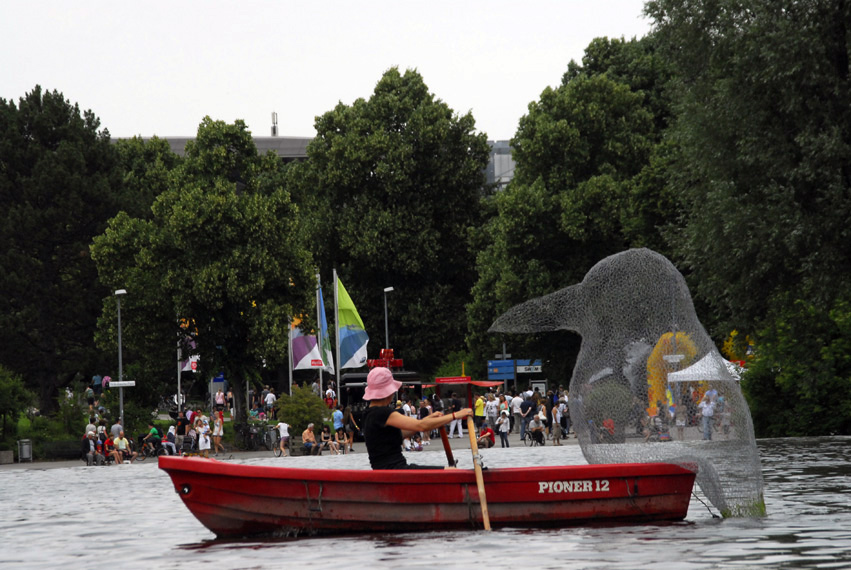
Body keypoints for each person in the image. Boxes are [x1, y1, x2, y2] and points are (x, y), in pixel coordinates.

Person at [362, 367, 473, 470]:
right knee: (449, 472)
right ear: (388, 392)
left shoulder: (369, 413)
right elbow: (421, 426)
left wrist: (429, 418)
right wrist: (455, 415)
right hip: (396, 472)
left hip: (388, 471)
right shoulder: (382, 412)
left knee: (448, 470)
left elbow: (403, 433)